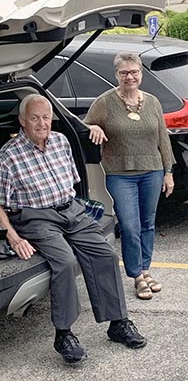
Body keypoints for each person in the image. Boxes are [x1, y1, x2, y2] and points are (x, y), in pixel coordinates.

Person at [0, 95, 146, 363]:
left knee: (105, 254)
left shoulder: (60, 141)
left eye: (46, 117)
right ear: (22, 121)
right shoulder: (8, 156)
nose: (42, 123)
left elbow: (73, 183)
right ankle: (64, 334)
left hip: (70, 209)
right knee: (65, 262)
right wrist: (12, 234)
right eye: (34, 118)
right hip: (36, 218)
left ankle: (118, 323)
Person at [85, 51, 175, 301]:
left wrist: (168, 171)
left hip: (152, 171)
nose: (129, 77)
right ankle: (136, 276)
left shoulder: (153, 102)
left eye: (134, 72)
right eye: (124, 72)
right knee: (129, 225)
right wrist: (93, 127)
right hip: (120, 174)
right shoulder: (105, 102)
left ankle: (146, 271)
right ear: (116, 74)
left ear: (141, 74)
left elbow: (162, 138)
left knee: (148, 223)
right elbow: (86, 124)